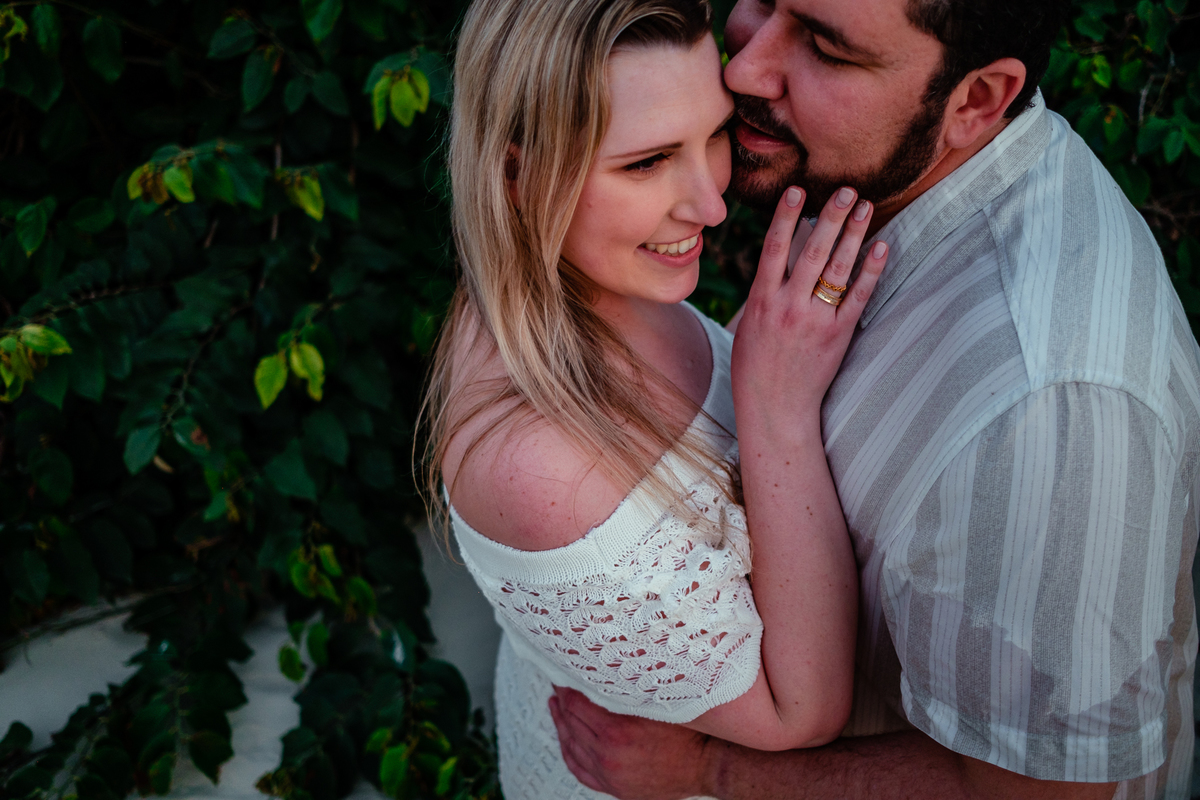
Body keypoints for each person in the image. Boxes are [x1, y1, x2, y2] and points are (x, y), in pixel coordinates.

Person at [548, 0, 1200, 798]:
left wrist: (707, 768)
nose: (744, 67)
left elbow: (1037, 793)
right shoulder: (881, 174)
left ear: (976, 100)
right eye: (763, 1)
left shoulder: (1048, 409)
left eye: (826, 49)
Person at [418, 0, 891, 796]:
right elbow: (797, 712)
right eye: (646, 163)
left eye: (715, 133)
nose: (711, 203)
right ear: (515, 174)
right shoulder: (537, 469)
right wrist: (777, 408)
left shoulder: (583, 275)